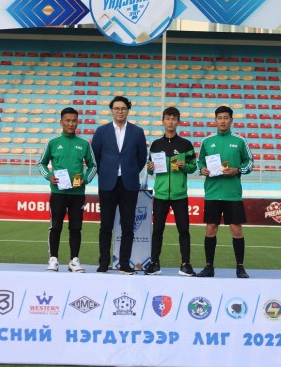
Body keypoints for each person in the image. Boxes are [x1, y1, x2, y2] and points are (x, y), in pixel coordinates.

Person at [91, 95, 147, 275]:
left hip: (129, 184)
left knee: (128, 226)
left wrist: (131, 171)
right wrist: (106, 172)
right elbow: (95, 157)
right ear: (111, 110)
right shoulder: (101, 131)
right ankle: (103, 262)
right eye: (116, 108)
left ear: (128, 110)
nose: (120, 111)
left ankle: (124, 263)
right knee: (105, 226)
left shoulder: (137, 132)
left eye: (123, 108)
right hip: (107, 184)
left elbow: (141, 158)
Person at [196, 105, 253, 279]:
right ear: (215, 120)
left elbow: (250, 163)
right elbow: (199, 162)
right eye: (219, 118)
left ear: (231, 120)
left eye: (226, 118)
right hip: (212, 193)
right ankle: (209, 267)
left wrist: (238, 170)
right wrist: (202, 169)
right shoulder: (207, 141)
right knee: (210, 229)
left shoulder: (240, 141)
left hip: (232, 193)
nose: (222, 121)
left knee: (236, 230)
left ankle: (240, 267)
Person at [37, 107, 97, 273]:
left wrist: (85, 179)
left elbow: (93, 166)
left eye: (74, 121)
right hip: (58, 193)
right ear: (61, 122)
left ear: (77, 122)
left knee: (76, 228)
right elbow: (41, 163)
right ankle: (53, 259)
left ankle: (74, 260)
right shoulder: (53, 143)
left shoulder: (84, 144)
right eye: (67, 120)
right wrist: (49, 176)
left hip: (77, 194)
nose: (71, 124)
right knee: (55, 226)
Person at [144, 106, 198, 277]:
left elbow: (193, 167)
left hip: (179, 195)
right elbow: (151, 169)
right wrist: (150, 168)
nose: (170, 122)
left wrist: (184, 166)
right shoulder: (156, 144)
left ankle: (186, 264)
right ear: (163, 121)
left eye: (173, 119)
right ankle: (154, 263)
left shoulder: (185, 144)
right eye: (167, 118)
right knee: (157, 230)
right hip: (160, 194)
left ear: (178, 122)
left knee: (184, 231)